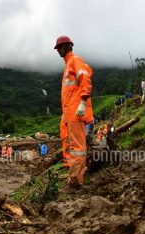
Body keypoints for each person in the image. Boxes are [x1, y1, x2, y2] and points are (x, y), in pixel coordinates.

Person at [54, 35, 93, 187]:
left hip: (76, 111)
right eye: (57, 48)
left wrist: (82, 102)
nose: (58, 51)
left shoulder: (75, 60)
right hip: (69, 112)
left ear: (68, 46)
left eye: (60, 47)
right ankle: (73, 173)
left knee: (78, 148)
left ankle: (75, 180)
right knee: (67, 140)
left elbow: (85, 79)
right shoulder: (68, 64)